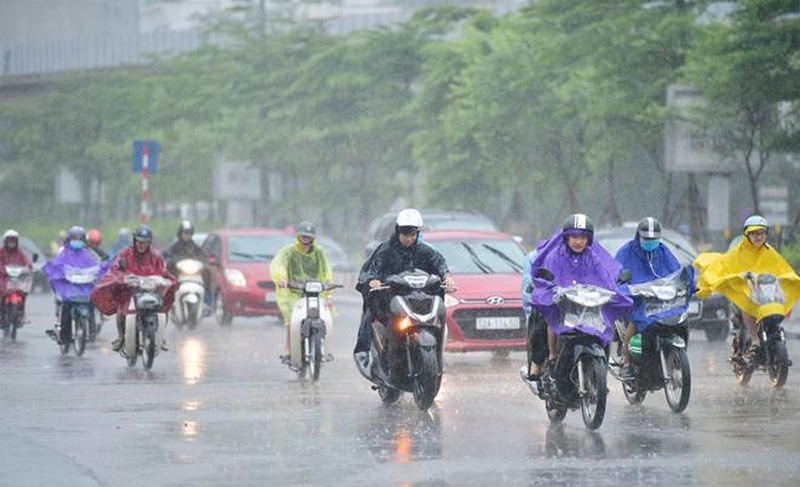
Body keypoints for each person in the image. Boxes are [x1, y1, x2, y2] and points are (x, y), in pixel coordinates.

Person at [528, 214, 631, 380]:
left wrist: (612, 291)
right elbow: (548, 278)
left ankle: (603, 362)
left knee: (608, 319)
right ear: (566, 237)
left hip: (586, 306)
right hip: (562, 304)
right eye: (574, 237)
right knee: (546, 320)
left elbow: (604, 279)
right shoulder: (555, 256)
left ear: (589, 239)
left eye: (583, 237)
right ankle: (550, 357)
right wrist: (551, 289)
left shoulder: (593, 258)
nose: (578, 241)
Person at [353, 208, 456, 374]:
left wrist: (447, 276)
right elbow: (372, 270)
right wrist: (373, 280)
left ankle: (438, 360)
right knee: (370, 314)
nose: (409, 238)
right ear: (398, 231)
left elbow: (440, 264)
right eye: (405, 234)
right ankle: (364, 350)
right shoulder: (385, 251)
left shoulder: (425, 251)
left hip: (420, 298)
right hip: (391, 298)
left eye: (413, 234)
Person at [696, 215, 799, 356]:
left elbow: (783, 269)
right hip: (746, 293)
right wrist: (741, 276)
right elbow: (724, 266)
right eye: (754, 233)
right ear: (747, 234)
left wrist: (789, 279)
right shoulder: (738, 252)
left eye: (762, 233)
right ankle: (754, 339)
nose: (759, 237)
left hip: (764, 294)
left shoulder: (770, 252)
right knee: (747, 307)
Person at [614, 217, 687, 378]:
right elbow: (616, 274)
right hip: (638, 300)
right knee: (635, 321)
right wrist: (625, 287)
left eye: (654, 239)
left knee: (682, 319)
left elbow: (676, 272)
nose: (650, 242)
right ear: (638, 236)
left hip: (661, 300)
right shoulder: (626, 252)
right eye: (646, 239)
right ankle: (626, 361)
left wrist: (684, 283)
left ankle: (673, 358)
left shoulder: (663, 252)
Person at [91, 226, 177, 352]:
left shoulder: (155, 256)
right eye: (139, 242)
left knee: (162, 308)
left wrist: (168, 281)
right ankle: (121, 336)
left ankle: (160, 336)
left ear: (149, 243)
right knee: (121, 306)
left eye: (145, 243)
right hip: (130, 290)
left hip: (151, 290)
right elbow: (116, 269)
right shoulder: (125, 254)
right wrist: (122, 278)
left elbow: (162, 272)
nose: (142, 246)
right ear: (134, 240)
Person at [270, 221, 333, 363]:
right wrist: (282, 278)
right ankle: (288, 347)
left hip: (315, 291)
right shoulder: (288, 251)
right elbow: (279, 265)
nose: (305, 239)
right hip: (293, 291)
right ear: (298, 236)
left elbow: (327, 269)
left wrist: (329, 286)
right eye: (303, 236)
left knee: (324, 315)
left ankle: (323, 348)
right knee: (291, 317)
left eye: (308, 236)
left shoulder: (319, 252)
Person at [42, 226, 109, 344]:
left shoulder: (87, 254)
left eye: (79, 239)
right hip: (68, 288)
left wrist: (100, 271)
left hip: (84, 287)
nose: (77, 241)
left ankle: (91, 331)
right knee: (66, 307)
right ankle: (65, 336)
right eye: (74, 238)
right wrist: (61, 273)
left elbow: (94, 266)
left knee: (91, 303)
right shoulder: (63, 253)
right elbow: (57, 265)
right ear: (69, 239)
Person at [0, 229, 34, 326]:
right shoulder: (1, 252)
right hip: (4, 278)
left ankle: (22, 313)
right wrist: (2, 269)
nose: (11, 243)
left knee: (23, 292)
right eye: (9, 241)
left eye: (13, 241)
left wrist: (30, 267)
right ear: (6, 241)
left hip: (16, 279)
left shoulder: (19, 252)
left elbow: (26, 261)